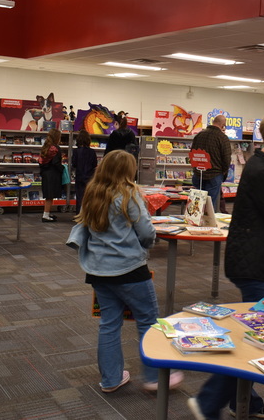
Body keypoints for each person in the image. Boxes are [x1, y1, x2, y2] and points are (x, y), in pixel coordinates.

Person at [188, 111, 264, 420]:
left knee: (253, 335)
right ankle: (207, 402)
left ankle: (246, 402)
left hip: (254, 261)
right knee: (255, 340)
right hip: (255, 264)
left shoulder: (261, 166)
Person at [70, 150, 184, 394]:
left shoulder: (93, 192)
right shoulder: (128, 194)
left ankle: (111, 379)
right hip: (129, 269)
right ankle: (154, 377)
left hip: (98, 269)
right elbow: (146, 232)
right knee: (148, 320)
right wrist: (147, 245)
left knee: (109, 324)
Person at [189, 114, 231, 212]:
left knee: (196, 204)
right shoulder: (222, 138)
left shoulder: (199, 135)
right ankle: (207, 221)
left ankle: (194, 220)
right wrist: (224, 174)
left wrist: (196, 169)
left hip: (198, 174)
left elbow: (192, 153)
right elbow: (226, 159)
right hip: (214, 175)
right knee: (209, 206)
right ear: (223, 125)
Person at [39, 128, 63, 222]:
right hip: (53, 174)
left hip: (45, 173)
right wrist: (62, 169)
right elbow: (56, 163)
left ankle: (47, 213)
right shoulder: (56, 148)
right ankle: (45, 215)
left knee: (48, 195)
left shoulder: (45, 147)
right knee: (50, 196)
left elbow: (41, 162)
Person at [71, 129, 97, 215]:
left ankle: (79, 214)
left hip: (79, 176)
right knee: (89, 196)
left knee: (79, 196)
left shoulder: (76, 151)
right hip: (90, 176)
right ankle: (88, 214)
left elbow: (74, 164)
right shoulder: (92, 152)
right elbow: (94, 164)